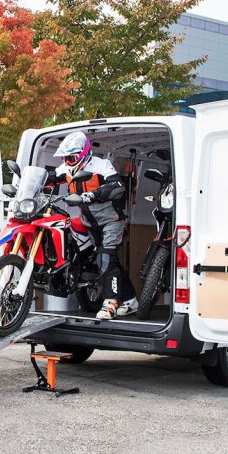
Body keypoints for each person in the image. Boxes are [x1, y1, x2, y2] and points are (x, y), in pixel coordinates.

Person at [52, 131, 139, 320]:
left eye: (71, 158)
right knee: (107, 262)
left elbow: (118, 186)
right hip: (89, 223)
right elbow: (50, 178)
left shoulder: (101, 165)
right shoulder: (66, 168)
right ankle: (130, 300)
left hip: (111, 221)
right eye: (64, 158)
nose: (67, 162)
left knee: (105, 259)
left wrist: (93, 194)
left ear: (83, 154)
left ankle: (110, 303)